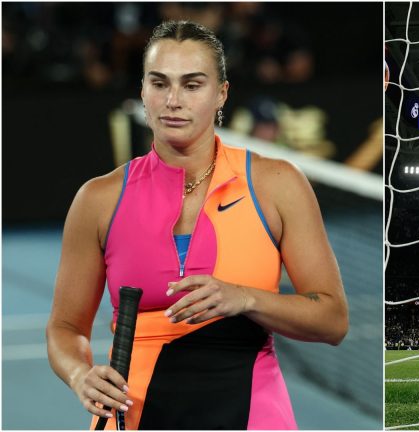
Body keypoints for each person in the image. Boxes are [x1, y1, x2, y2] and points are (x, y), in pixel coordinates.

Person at [46, 21, 348, 430]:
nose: (173, 100)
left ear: (221, 93)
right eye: (159, 83)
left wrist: (245, 298)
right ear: (142, 92)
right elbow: (65, 328)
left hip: (251, 413)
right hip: (133, 415)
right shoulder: (97, 200)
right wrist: (81, 375)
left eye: (192, 85)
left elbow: (332, 320)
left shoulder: (277, 184)